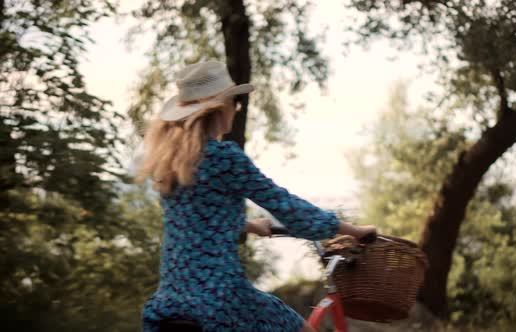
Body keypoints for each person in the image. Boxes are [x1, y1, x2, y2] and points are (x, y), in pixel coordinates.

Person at [136, 60, 377, 332]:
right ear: (219, 108)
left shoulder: (171, 163)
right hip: (220, 300)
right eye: (234, 101)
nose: (237, 108)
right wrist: (352, 230)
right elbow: (285, 205)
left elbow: (195, 219)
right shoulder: (225, 158)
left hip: (168, 302)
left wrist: (251, 225)